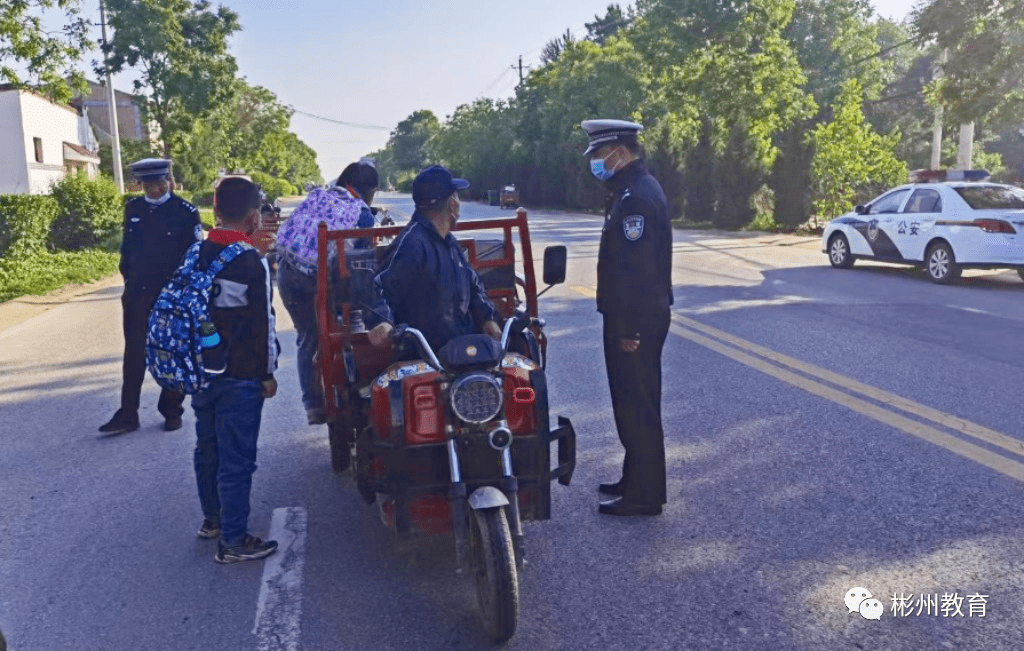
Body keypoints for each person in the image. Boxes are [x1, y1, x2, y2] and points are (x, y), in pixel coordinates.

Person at [581, 119, 673, 517]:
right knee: (631, 402)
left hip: (635, 320)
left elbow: (637, 273)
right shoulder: (630, 190)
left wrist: (629, 329)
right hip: (632, 317)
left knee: (638, 405)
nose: (597, 164)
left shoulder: (635, 197)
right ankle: (634, 478)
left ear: (619, 153)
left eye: (600, 156)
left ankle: (645, 495)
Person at [193, 176, 280, 564]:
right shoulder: (250, 262)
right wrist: (267, 373)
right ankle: (232, 540)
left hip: (201, 369)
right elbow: (263, 324)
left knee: (207, 447)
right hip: (240, 374)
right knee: (237, 459)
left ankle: (212, 520)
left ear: (215, 211)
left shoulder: (196, 252)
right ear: (253, 217)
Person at [99, 158, 201, 434]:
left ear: (168, 181)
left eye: (158, 183)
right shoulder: (133, 208)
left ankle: (171, 409)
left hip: (170, 298)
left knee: (172, 352)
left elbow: (193, 256)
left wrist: (181, 293)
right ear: (140, 184)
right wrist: (129, 279)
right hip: (137, 294)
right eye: (147, 185)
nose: (154, 189)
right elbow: (127, 251)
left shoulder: (185, 212)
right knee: (134, 352)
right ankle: (128, 413)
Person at [276, 161, 376, 425]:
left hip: (288, 274)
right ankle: (358, 379)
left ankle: (313, 405)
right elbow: (361, 262)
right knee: (353, 323)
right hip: (321, 280)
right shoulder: (363, 214)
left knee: (308, 336)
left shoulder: (317, 196)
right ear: (368, 190)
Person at [367, 165, 502, 352]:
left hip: (462, 351)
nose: (459, 203)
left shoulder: (449, 242)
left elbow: (473, 284)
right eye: (456, 196)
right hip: (426, 356)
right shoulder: (412, 244)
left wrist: (488, 319)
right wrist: (383, 322)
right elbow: (378, 287)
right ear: (452, 204)